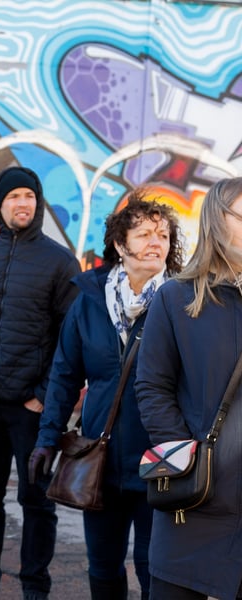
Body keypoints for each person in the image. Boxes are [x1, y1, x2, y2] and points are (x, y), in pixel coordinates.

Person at [28, 192, 185, 600]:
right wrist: (47, 437)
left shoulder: (183, 303)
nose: (157, 242)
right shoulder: (89, 302)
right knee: (103, 566)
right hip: (102, 459)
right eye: (146, 233)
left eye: (164, 235)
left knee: (157, 569)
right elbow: (63, 374)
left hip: (163, 460)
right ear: (120, 244)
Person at [0, 166, 81, 600]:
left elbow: (70, 337)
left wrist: (43, 397)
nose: (23, 203)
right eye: (14, 197)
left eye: (30, 195)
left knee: (37, 503)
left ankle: (34, 589)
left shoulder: (59, 262)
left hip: (31, 410)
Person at [135, 177, 242, 600]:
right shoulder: (175, 298)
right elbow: (152, 386)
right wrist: (184, 457)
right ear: (218, 219)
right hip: (196, 502)